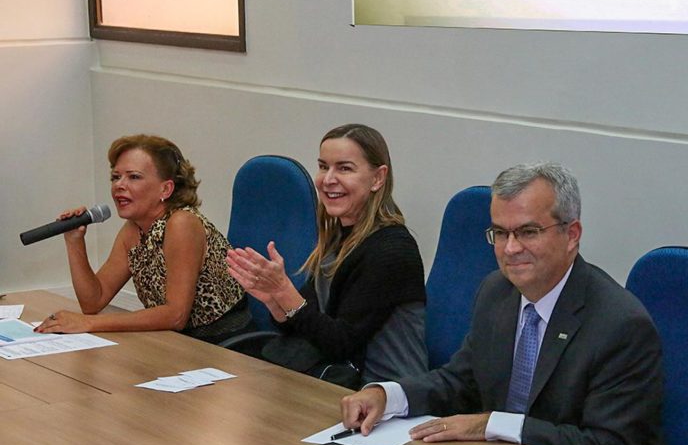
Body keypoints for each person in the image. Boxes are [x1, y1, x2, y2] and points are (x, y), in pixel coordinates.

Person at [341, 163, 688, 445]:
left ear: (571, 235)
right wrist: (388, 396)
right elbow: (461, 380)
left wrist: (491, 424)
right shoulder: (497, 291)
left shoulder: (619, 324)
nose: (510, 248)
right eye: (500, 233)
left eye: (528, 232)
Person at [226, 124, 426, 385]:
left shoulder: (392, 250)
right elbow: (308, 326)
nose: (328, 179)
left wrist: (285, 292)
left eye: (344, 168)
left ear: (378, 178)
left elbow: (340, 344)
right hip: (336, 382)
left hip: (383, 393)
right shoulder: (338, 237)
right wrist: (275, 300)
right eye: (323, 166)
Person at [34, 134, 250, 342]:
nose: (119, 185)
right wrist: (74, 241)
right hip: (173, 340)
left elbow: (176, 315)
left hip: (224, 343)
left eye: (134, 177)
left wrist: (89, 323)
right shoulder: (132, 230)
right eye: (116, 177)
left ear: (165, 189)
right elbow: (93, 301)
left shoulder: (182, 223)